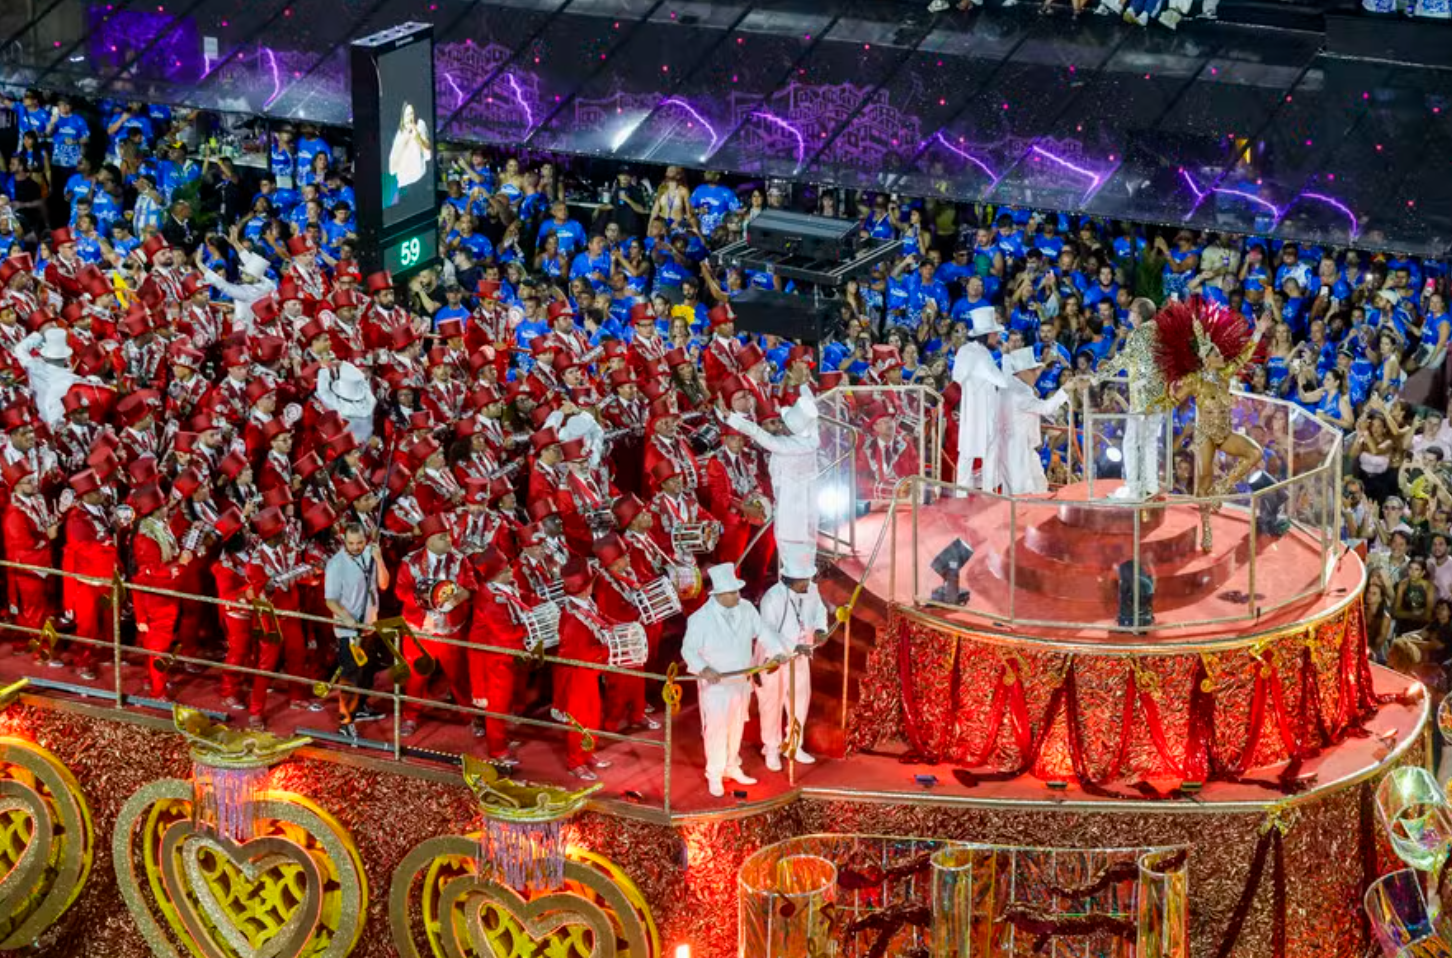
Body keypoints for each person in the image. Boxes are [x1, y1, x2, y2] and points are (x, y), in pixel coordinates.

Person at [682, 563, 783, 797]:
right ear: (718, 595)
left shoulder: (746, 608)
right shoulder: (700, 618)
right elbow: (688, 650)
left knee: (736, 726)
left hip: (740, 681)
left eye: (737, 591)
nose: (738, 596)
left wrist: (777, 651)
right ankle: (715, 774)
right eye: (732, 592)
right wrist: (704, 668)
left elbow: (764, 632)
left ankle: (732, 765)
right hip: (715, 686)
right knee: (716, 729)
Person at [725, 388, 821, 573]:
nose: (779, 426)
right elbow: (813, 422)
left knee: (788, 550)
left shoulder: (783, 446)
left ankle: (793, 580)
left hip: (789, 508)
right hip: (809, 506)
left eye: (782, 423)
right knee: (808, 548)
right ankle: (807, 577)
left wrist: (730, 417)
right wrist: (805, 392)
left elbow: (756, 432)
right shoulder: (813, 442)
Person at [755, 555, 828, 772]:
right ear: (789, 580)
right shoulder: (772, 598)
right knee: (772, 704)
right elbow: (766, 632)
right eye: (803, 580)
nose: (808, 583)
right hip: (774, 658)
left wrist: (820, 628)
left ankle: (793, 746)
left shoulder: (811, 590)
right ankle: (771, 748)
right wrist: (792, 647)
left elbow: (820, 611)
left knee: (800, 702)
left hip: (801, 656)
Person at [1091, 297, 1165, 500]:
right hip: (1159, 398)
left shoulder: (1138, 334)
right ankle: (1150, 486)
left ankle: (1133, 488)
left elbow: (1124, 359)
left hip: (1142, 398)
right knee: (1149, 442)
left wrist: (1099, 376)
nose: (1129, 314)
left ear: (1139, 315)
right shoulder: (1160, 332)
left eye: (1132, 311)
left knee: (1131, 442)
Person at [323, 522, 390, 741]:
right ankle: (346, 722)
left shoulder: (370, 553)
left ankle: (360, 706)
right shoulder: (336, 564)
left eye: (360, 542)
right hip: (349, 630)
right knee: (350, 676)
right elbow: (330, 600)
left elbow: (384, 585)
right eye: (351, 543)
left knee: (367, 671)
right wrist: (347, 618)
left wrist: (379, 559)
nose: (356, 547)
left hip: (370, 624)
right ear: (344, 541)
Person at [998, 347, 1075, 495]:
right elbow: (1046, 408)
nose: (1037, 374)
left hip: (1014, 444)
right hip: (1019, 448)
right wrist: (1065, 390)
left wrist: (1006, 355)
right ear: (1022, 372)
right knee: (1022, 490)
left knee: (1038, 484)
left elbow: (1006, 367)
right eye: (1033, 370)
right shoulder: (1021, 394)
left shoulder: (1008, 380)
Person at [950, 306, 1010, 491]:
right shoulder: (980, 356)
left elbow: (957, 377)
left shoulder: (967, 351)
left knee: (967, 454)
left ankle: (962, 495)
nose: (998, 338)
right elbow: (1003, 381)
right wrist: (1006, 357)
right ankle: (988, 494)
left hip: (972, 410)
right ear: (988, 335)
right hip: (983, 412)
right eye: (996, 334)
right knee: (988, 453)